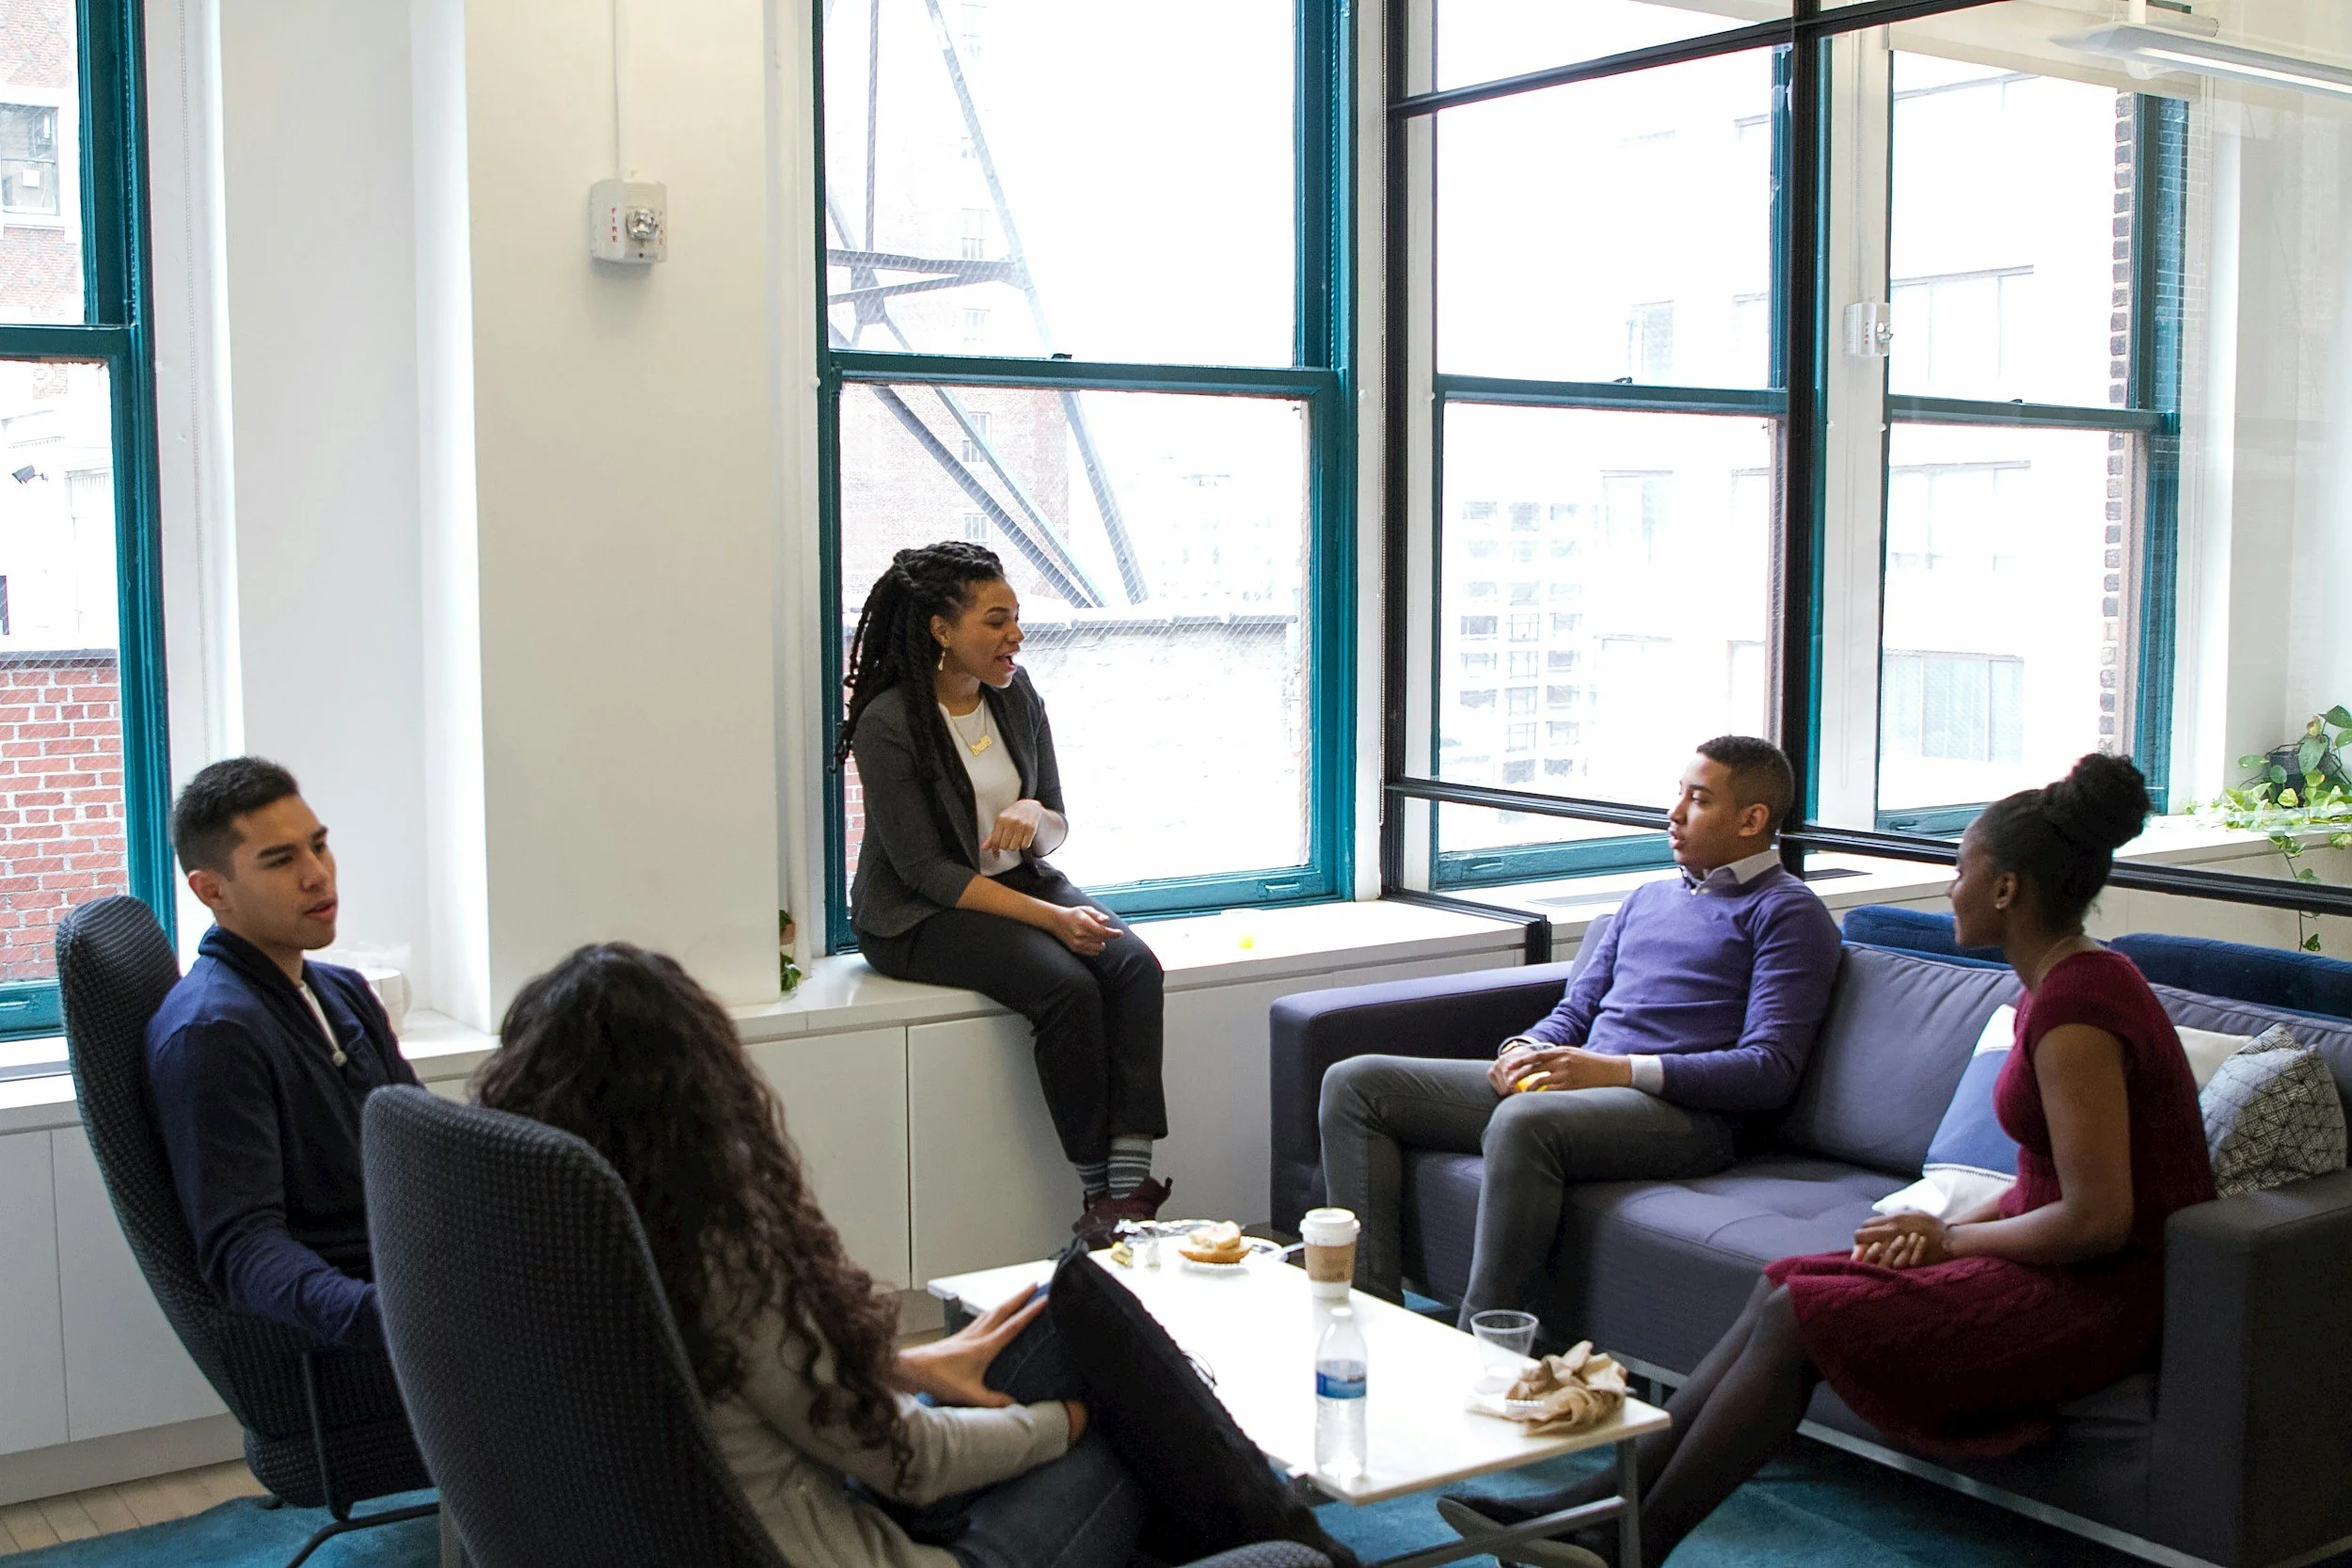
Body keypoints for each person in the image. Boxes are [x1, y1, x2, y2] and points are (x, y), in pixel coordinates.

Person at [1441, 753, 2216, 1568]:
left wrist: (1950, 1241)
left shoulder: (2079, 1009)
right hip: (2052, 1259)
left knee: (1800, 1312)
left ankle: (1630, 1540)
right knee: (1783, 1280)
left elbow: (2098, 1220)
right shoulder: (2053, 988)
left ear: (2006, 889)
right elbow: (2041, 1183)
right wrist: (1934, 1223)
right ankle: (1592, 1515)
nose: (1949, 886)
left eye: (1960, 869)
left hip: (2097, 1296)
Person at [475, 942, 1142, 1568]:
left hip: (802, 1490)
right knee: (1114, 1455)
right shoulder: (711, 1261)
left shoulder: (545, 1248)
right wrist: (1066, 1424)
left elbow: (764, 1395)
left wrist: (894, 1368)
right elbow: (914, 1460)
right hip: (829, 1537)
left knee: (1057, 1313)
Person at [1319, 736, 1842, 1324]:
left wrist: (1614, 1070)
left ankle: (1488, 1344)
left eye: (1698, 800)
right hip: (1588, 1090)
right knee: (1356, 1084)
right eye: (1679, 795)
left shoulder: (1788, 912)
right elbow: (1576, 1012)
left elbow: (1769, 1070)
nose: (1673, 815)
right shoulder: (1646, 899)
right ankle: (1366, 1317)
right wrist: (1526, 1047)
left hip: (1691, 1119)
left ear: (1753, 819)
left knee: (1525, 1121)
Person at [839, 541, 1168, 1241]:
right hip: (915, 915)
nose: (1014, 635)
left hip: (1018, 884)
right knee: (1067, 989)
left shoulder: (1015, 694)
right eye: (995, 620)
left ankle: (1124, 1193)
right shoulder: (889, 722)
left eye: (1015, 617)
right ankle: (1096, 1193)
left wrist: (1033, 815)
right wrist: (1052, 920)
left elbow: (1055, 825)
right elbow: (927, 871)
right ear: (941, 630)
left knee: (1133, 965)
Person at [146, 757, 419, 1347]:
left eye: (318, 846)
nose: (319, 875)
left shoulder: (340, 989)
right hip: (375, 1318)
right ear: (211, 889)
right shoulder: (213, 1033)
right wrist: (389, 1318)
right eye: (281, 860)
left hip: (426, 1267)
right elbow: (241, 1250)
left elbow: (422, 1143)